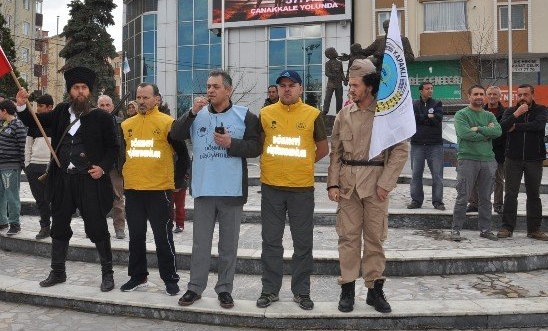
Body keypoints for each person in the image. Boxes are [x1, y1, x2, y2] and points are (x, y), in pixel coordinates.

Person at [16, 66, 119, 292]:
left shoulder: (101, 117)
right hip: (63, 180)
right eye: (76, 88)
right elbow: (36, 122)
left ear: (89, 91)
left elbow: (113, 149)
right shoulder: (62, 111)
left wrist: (102, 167)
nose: (80, 92)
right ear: (70, 91)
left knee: (97, 228)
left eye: (83, 88)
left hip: (89, 181)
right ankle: (58, 271)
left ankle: (107, 273)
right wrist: (22, 105)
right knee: (59, 226)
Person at [171, 70, 262, 309]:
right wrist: (191, 113)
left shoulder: (244, 116)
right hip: (203, 189)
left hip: (231, 190)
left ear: (228, 90)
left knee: (228, 245)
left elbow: (256, 147)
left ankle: (224, 289)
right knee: (200, 243)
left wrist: (233, 144)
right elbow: (175, 134)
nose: (210, 90)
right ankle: (194, 287)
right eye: (208, 86)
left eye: (215, 87)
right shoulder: (196, 115)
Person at [327, 59, 408, 314]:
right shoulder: (344, 114)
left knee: (375, 238)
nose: (350, 89)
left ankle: (374, 290)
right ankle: (347, 288)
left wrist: (386, 183)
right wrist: (332, 183)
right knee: (348, 238)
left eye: (354, 85)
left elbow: (400, 150)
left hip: (375, 184)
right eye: (349, 84)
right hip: (348, 184)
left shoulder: (386, 114)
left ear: (370, 87)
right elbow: (335, 152)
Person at [256, 70, 329, 311]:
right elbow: (259, 144)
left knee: (303, 243)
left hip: (301, 189)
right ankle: (270, 290)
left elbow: (322, 148)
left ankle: (301, 291)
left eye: (291, 85)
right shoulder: (265, 114)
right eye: (282, 85)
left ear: (300, 89)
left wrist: (304, 163)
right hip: (272, 187)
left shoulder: (312, 114)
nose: (287, 89)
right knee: (271, 241)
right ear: (277, 89)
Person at [120, 83, 188, 296]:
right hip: (133, 189)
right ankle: (137, 276)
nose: (141, 101)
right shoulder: (126, 125)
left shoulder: (168, 123)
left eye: (146, 97)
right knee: (136, 236)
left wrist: (176, 181)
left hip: (159, 191)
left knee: (163, 237)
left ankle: (170, 279)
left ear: (157, 99)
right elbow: (121, 154)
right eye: (138, 97)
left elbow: (183, 156)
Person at [497, 84, 548, 241]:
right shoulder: (510, 111)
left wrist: (516, 126)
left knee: (534, 194)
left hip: (534, 158)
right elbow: (502, 128)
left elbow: (538, 126)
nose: (522, 98)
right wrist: (516, 115)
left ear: (532, 95)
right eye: (519, 95)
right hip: (513, 158)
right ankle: (507, 227)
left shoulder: (541, 109)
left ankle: (534, 229)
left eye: (525, 94)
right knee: (510, 194)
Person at [450, 85, 502, 243]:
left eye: (481, 94)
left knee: (486, 198)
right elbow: (464, 134)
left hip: (488, 160)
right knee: (463, 196)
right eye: (476, 94)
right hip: (467, 159)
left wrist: (478, 129)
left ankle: (486, 230)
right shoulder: (461, 114)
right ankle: (456, 231)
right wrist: (487, 133)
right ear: (469, 96)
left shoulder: (489, 115)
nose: (479, 96)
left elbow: (498, 132)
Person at [0, 100, 26, 236]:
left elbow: (22, 146)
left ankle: (15, 223)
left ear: (5, 111)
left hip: (10, 166)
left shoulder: (18, 125)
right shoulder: (1, 124)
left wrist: (22, 165)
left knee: (11, 196)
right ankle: (2, 221)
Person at [467, 86, 507, 214]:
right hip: (480, 149)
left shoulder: (505, 112)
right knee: (475, 177)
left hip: (499, 150)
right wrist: (489, 131)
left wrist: (485, 131)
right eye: (489, 94)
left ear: (499, 96)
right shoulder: (479, 111)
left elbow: (502, 131)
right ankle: (474, 203)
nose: (492, 97)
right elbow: (473, 129)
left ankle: (498, 204)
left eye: (495, 94)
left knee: (498, 179)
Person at [407, 81, 445, 210]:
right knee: (416, 174)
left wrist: (423, 118)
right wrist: (427, 116)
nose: (430, 91)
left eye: (431, 88)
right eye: (427, 88)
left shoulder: (437, 103)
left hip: (435, 145)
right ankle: (416, 200)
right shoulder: (413, 104)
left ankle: (438, 201)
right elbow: (411, 119)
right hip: (417, 144)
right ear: (420, 91)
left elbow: (437, 119)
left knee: (437, 175)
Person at [97, 94, 126, 239]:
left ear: (113, 106)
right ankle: (96, 228)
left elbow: (124, 146)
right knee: (96, 199)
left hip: (115, 167)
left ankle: (119, 228)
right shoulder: (92, 123)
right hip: (97, 167)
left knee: (118, 199)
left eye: (107, 105)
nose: (105, 108)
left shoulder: (121, 124)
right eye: (101, 105)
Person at [25, 93, 54, 240]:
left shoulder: (56, 123)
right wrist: (28, 165)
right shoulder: (34, 123)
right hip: (35, 166)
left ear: (50, 107)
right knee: (40, 200)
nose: (38, 110)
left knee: (54, 199)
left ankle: (57, 226)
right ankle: (44, 226)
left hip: (51, 166)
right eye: (37, 106)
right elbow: (28, 145)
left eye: (41, 106)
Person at [322, 48, 348, 116]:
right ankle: (325, 110)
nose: (336, 52)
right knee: (328, 98)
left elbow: (342, 73)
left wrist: (344, 80)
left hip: (339, 83)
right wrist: (334, 75)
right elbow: (327, 73)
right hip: (331, 84)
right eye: (334, 51)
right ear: (330, 55)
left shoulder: (339, 63)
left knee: (339, 99)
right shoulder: (328, 63)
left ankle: (338, 112)